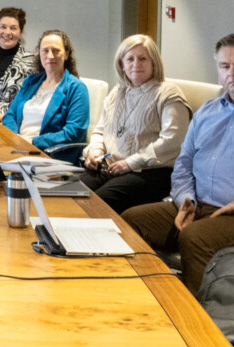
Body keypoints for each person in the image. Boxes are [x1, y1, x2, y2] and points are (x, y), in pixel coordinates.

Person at [123, 33, 234, 294]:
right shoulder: (208, 111)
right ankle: (150, 302)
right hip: (198, 206)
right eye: (225, 66)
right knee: (129, 221)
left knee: (196, 237)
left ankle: (199, 325)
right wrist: (185, 199)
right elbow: (184, 162)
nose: (232, 73)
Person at [80, 35, 190, 214]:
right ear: (121, 64)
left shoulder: (168, 93)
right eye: (130, 59)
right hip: (112, 166)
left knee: (96, 204)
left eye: (143, 58)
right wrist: (95, 152)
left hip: (151, 172)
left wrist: (131, 162)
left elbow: (172, 142)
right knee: (71, 194)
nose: (135, 64)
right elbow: (100, 132)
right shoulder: (117, 92)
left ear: (154, 62)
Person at [2, 29, 89, 151]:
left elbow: (74, 132)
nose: (50, 56)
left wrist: (33, 142)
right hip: (18, 147)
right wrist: (14, 137)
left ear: (67, 54)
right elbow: (10, 115)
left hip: (49, 154)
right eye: (45, 51)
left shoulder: (76, 88)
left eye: (56, 51)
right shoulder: (30, 81)